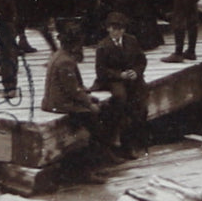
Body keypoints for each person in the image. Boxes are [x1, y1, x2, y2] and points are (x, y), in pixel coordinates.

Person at [41, 24, 115, 177]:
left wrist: (87, 96)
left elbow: (73, 87)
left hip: (58, 100)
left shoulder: (59, 55)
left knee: (99, 113)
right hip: (60, 104)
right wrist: (89, 103)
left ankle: (102, 157)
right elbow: (73, 91)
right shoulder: (65, 62)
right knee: (94, 122)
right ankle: (88, 169)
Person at [93, 12, 149, 158]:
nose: (117, 32)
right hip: (113, 80)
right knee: (121, 99)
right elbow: (101, 71)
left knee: (141, 104)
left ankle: (139, 141)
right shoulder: (103, 46)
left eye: (120, 28)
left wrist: (136, 72)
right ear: (108, 29)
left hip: (132, 78)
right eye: (114, 28)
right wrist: (119, 75)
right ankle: (122, 142)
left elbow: (141, 60)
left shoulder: (132, 41)